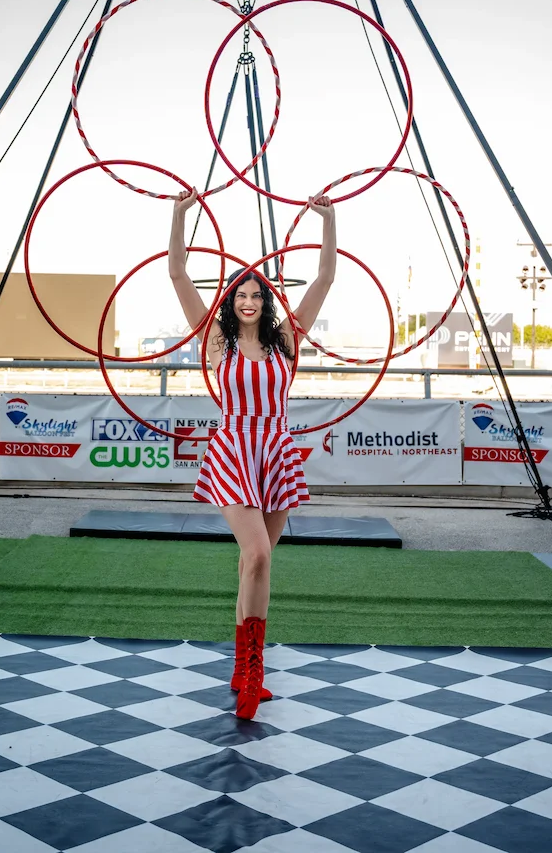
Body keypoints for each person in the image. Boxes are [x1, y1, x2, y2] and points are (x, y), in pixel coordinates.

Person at [169, 188, 336, 718]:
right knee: (259, 555)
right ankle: (254, 673)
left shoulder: (286, 341)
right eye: (240, 294)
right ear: (230, 301)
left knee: (252, 563)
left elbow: (324, 278)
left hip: (276, 450)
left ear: (266, 302)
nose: (248, 301)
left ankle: (244, 670)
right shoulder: (216, 342)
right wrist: (179, 214)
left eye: (256, 295)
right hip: (234, 448)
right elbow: (177, 274)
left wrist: (328, 221)